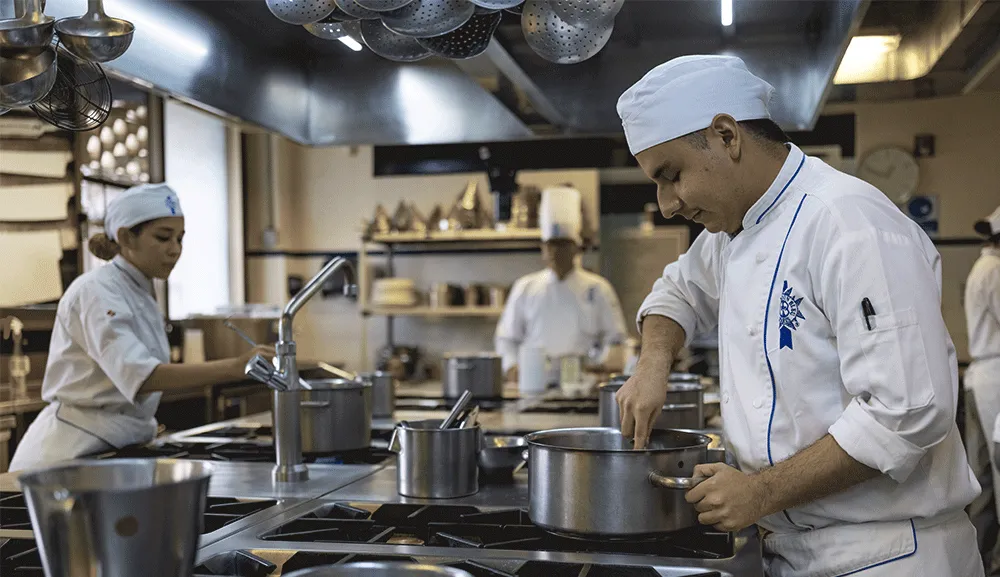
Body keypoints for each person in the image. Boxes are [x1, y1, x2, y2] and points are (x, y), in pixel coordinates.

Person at [614, 55, 982, 576]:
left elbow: (907, 411)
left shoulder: (848, 222)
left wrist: (760, 491)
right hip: (794, 551)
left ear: (726, 136)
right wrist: (652, 365)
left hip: (888, 555)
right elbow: (677, 292)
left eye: (671, 176)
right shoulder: (733, 230)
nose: (667, 204)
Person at [9, 184, 273, 471]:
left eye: (180, 239)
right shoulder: (97, 290)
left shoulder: (139, 290)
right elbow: (142, 376)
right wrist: (236, 366)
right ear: (125, 237)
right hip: (67, 455)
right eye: (163, 238)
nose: (175, 250)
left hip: (112, 449)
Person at [495, 185, 628, 382]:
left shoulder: (598, 289)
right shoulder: (525, 287)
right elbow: (507, 338)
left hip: (583, 381)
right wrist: (512, 365)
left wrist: (602, 364)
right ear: (543, 249)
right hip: (535, 380)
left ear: (576, 248)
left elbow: (615, 338)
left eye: (563, 245)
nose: (556, 252)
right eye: (551, 245)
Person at [965, 206, 1000, 574]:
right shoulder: (995, 271)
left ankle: (980, 561)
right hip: (995, 380)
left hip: (981, 379)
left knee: (983, 474)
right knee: (996, 470)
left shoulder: (982, 267)